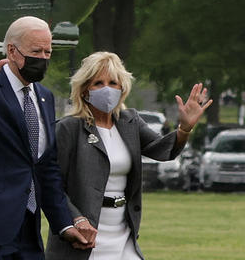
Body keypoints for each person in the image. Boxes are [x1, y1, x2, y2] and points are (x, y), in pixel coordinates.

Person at [0, 16, 88, 260]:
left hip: (28, 226)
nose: (42, 58)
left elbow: (45, 168)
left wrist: (64, 224)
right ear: (12, 51)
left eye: (47, 52)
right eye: (36, 51)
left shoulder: (45, 97)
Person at [45, 51, 212, 260]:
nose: (107, 89)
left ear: (122, 87)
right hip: (85, 236)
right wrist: (76, 219)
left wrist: (184, 129)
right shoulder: (69, 128)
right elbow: (51, 185)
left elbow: (162, 149)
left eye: (113, 82)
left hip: (123, 232)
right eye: (98, 83)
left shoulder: (129, 121)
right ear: (85, 90)